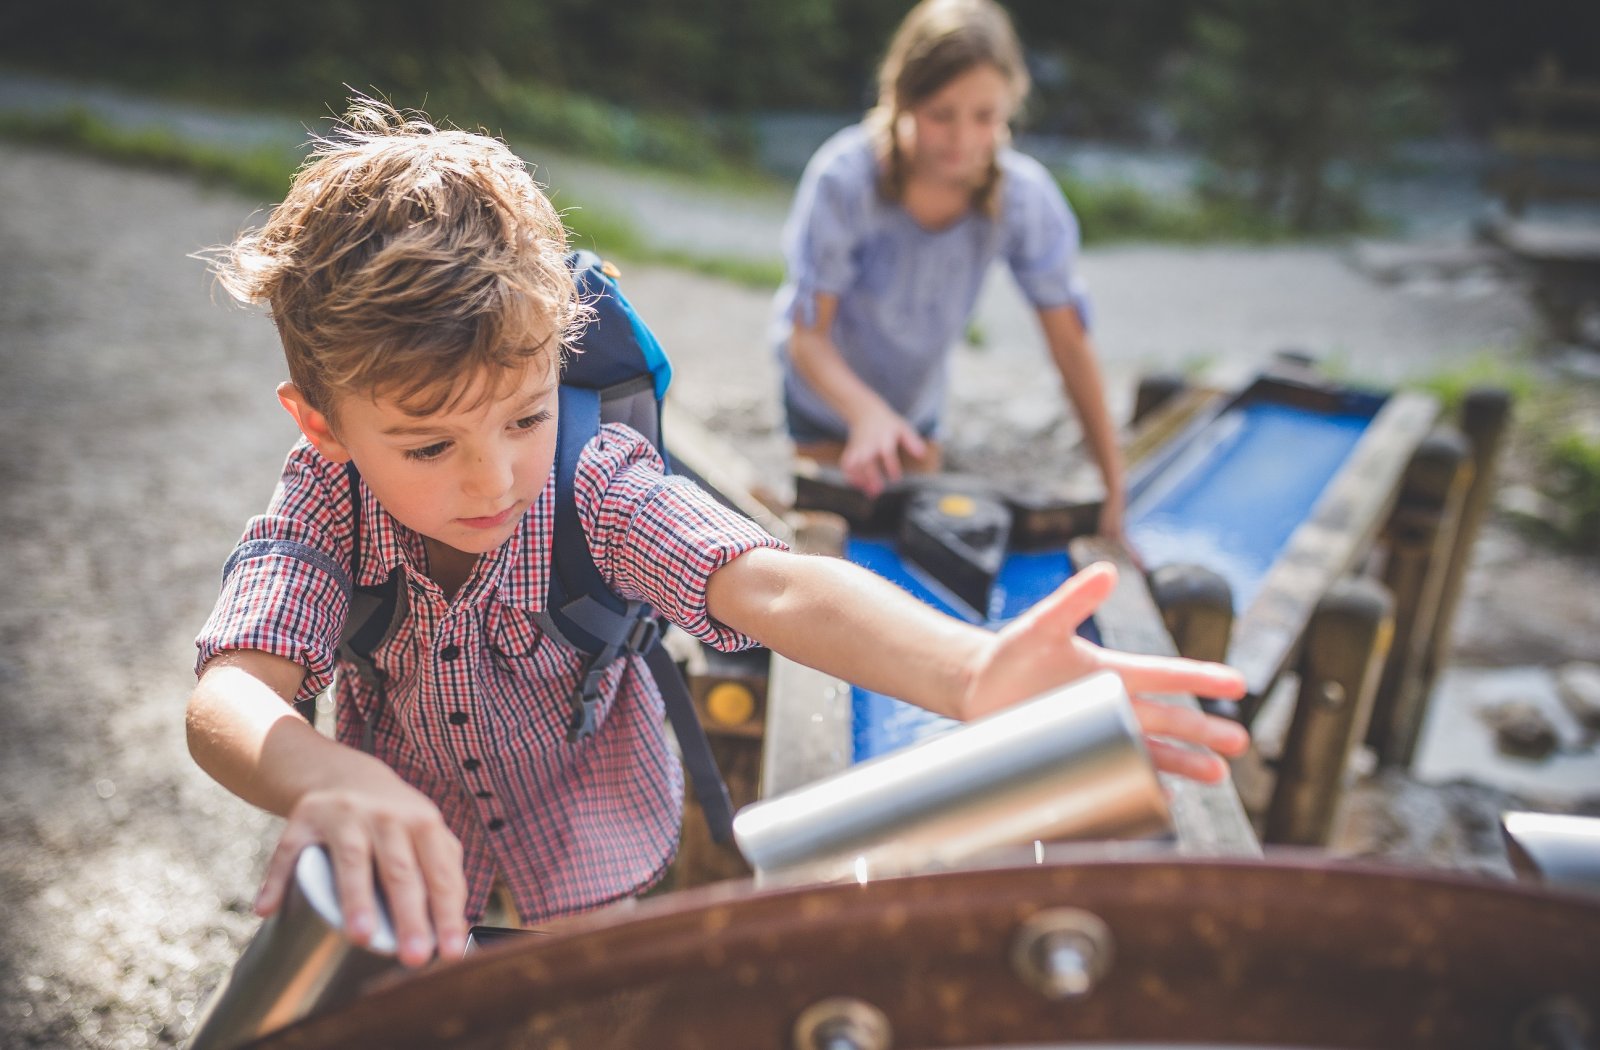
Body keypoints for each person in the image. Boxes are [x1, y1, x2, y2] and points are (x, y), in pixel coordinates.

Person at [187, 98, 1248, 972]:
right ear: (321, 424)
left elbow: (776, 587)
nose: (493, 477)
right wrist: (329, 778)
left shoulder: (591, 484)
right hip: (401, 866)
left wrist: (970, 672)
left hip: (588, 852)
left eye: (523, 417)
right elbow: (229, 695)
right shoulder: (325, 503)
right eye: (427, 447)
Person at [774, 0, 1128, 540]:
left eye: (985, 117)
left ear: (1010, 108)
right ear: (901, 99)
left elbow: (1070, 345)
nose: (963, 139)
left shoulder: (1023, 199)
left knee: (912, 549)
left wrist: (1113, 489)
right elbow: (807, 339)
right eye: (941, 114)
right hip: (825, 399)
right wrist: (864, 414)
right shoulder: (843, 181)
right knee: (828, 543)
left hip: (916, 411)